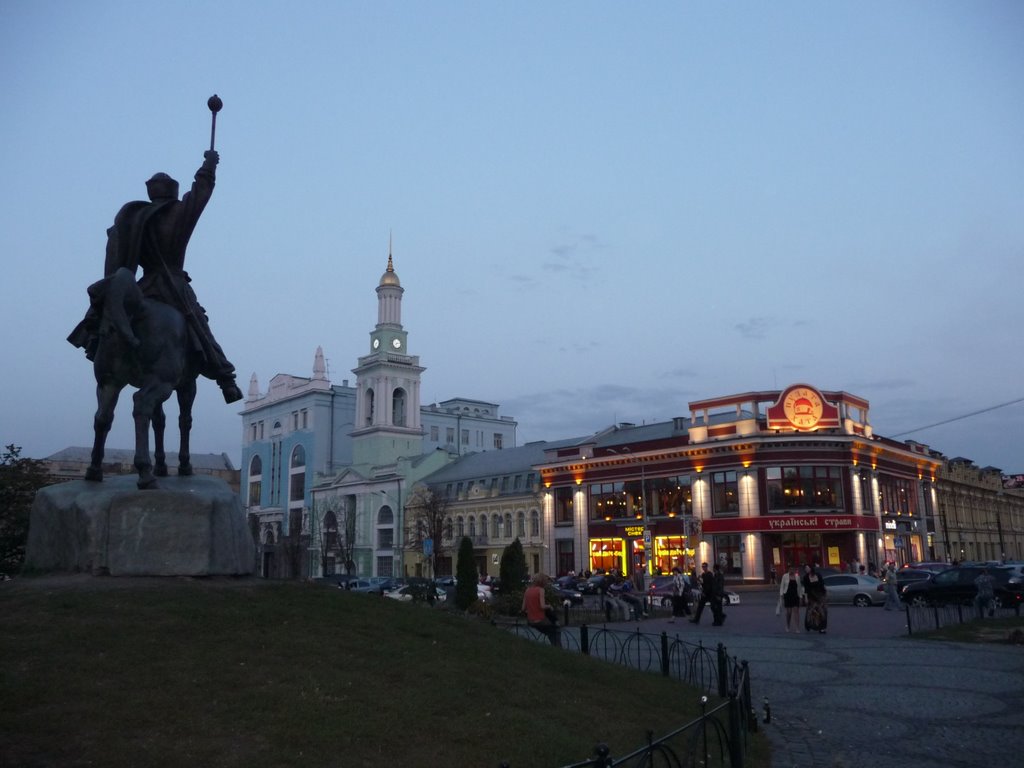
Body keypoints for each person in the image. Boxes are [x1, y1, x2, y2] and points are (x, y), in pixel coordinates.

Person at [69, 150, 242, 404]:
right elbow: (201, 192)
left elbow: (115, 257)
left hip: (144, 287)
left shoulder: (133, 219)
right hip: (173, 287)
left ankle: (96, 341)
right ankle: (226, 380)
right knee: (201, 328)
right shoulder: (179, 213)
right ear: (172, 191)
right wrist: (209, 164)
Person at [522, 574, 560, 646]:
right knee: (556, 630)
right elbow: (542, 606)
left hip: (530, 621)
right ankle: (558, 649)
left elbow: (523, 608)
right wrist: (549, 606)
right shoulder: (541, 590)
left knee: (550, 632)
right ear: (542, 582)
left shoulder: (527, 590)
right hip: (540, 620)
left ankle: (554, 647)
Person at [777, 565, 805, 633]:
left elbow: (799, 587)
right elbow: (782, 586)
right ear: (788, 570)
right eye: (790, 569)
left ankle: (797, 628)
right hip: (787, 595)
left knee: (796, 612)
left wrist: (801, 597)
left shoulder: (797, 577)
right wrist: (781, 595)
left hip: (795, 595)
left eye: (792, 569)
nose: (791, 570)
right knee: (789, 612)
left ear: (794, 570)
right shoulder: (785, 576)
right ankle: (787, 625)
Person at [802, 564, 828, 633]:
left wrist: (825, 593)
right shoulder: (805, 578)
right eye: (805, 569)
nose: (806, 570)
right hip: (812, 596)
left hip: (820, 595)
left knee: (823, 611)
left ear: (811, 568)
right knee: (811, 612)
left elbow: (822, 584)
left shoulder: (818, 575)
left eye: (807, 568)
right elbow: (806, 589)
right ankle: (809, 625)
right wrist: (806, 598)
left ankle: (822, 628)